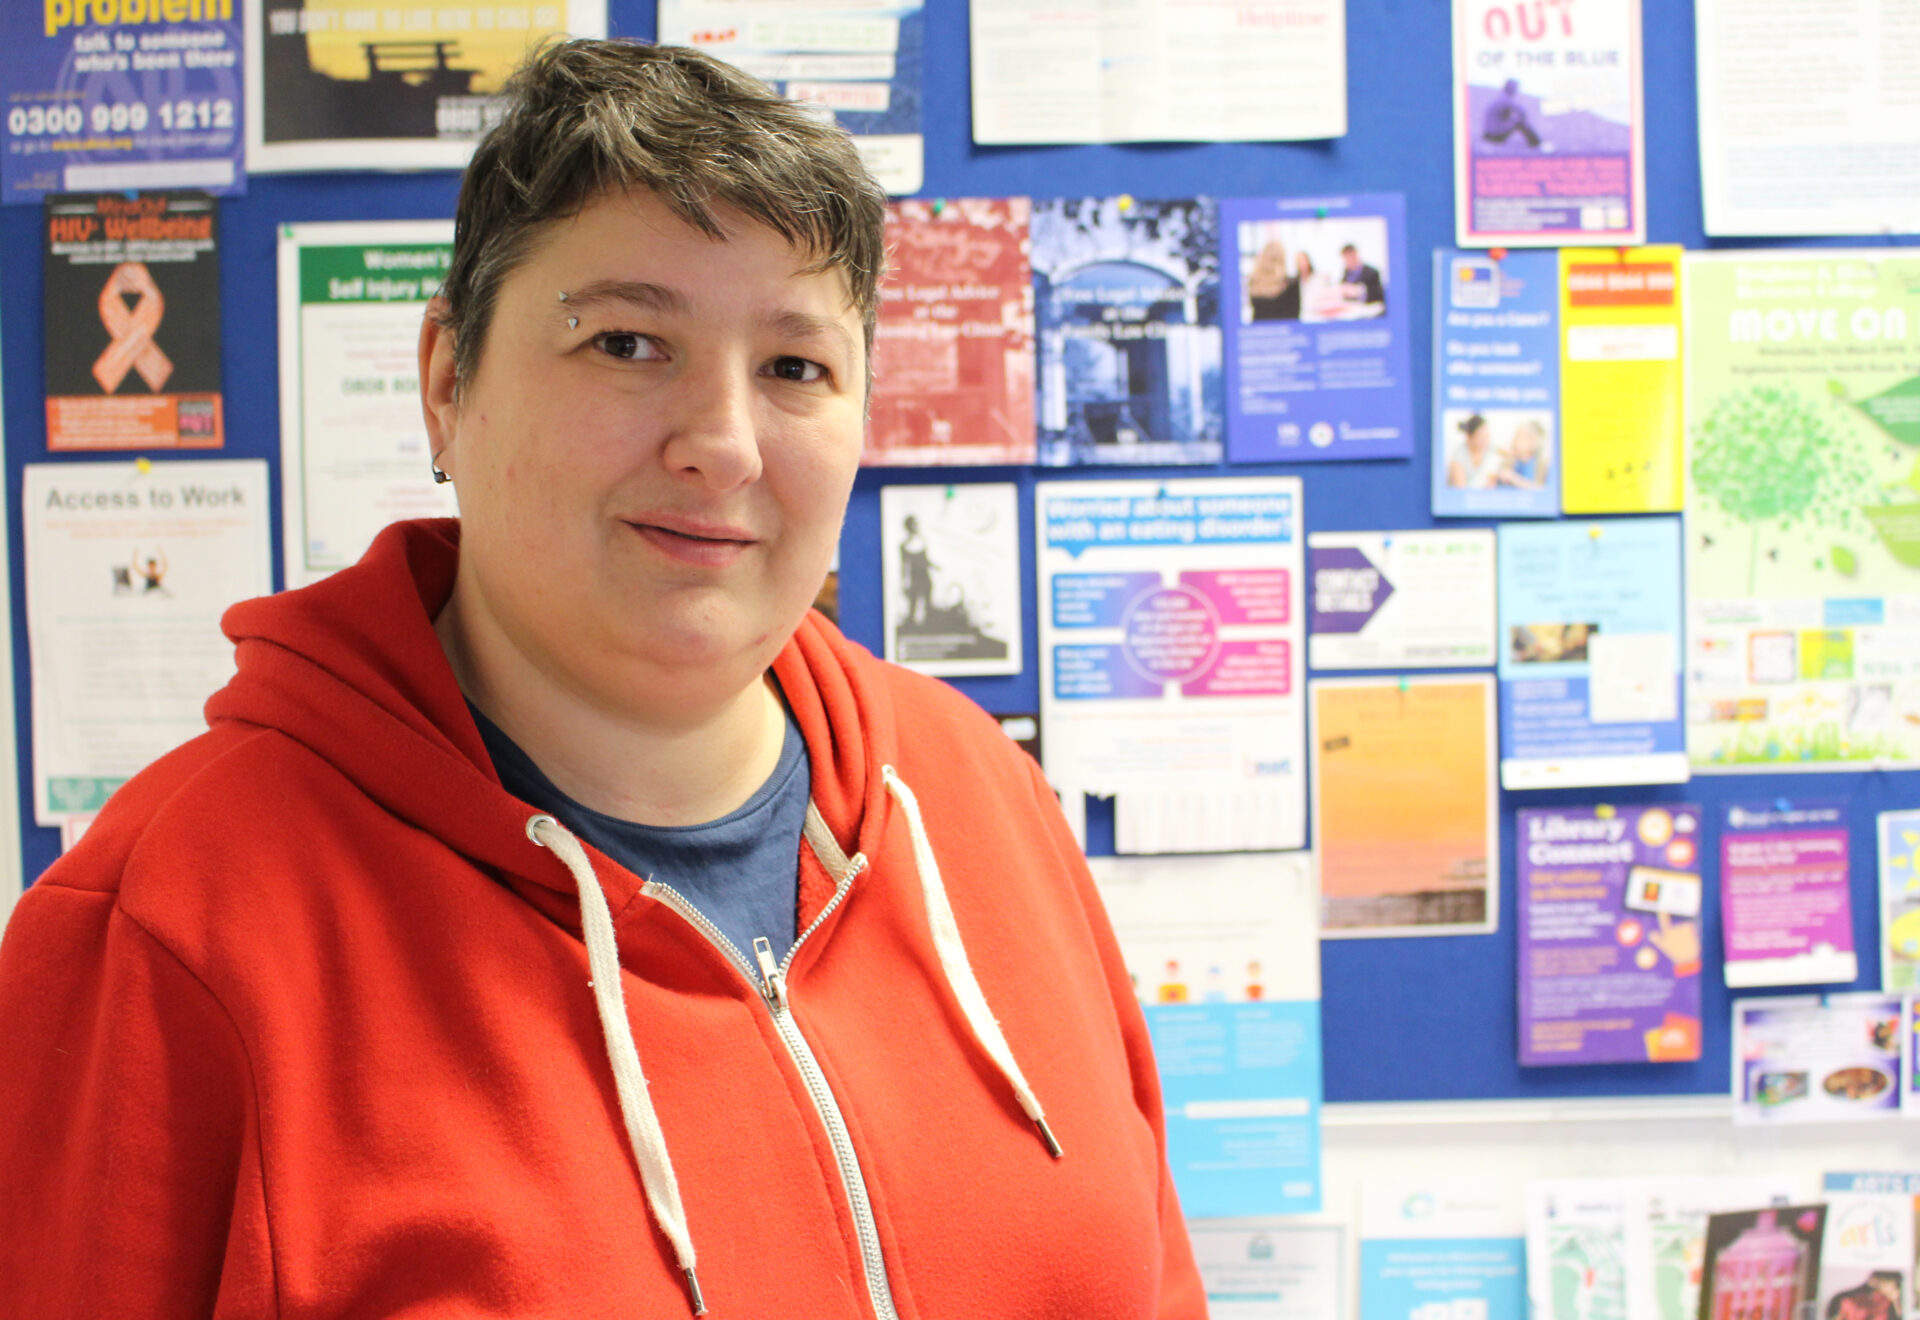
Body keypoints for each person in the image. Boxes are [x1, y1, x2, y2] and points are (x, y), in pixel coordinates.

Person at [0, 40, 1205, 1319]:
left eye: (795, 367)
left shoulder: (976, 797)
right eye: (627, 342)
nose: (723, 446)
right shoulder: (168, 925)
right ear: (447, 381)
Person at [1245, 237, 1301, 320]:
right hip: (1284, 327)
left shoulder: (1253, 282)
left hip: (1259, 327)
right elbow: (1294, 315)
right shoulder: (1291, 284)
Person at [1447, 413, 1505, 489]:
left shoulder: (1489, 448)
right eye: (1482, 437)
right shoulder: (1459, 457)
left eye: (1487, 436)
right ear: (1469, 438)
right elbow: (1460, 490)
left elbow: (1508, 455)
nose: (1487, 441)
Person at [1482, 78, 1543, 148]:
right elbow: (1521, 111)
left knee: (1514, 119)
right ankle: (1536, 143)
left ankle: (1535, 142)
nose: (1516, 90)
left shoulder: (1500, 97)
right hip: (1493, 136)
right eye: (1515, 88)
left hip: (1488, 135)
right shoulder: (1505, 99)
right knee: (1519, 121)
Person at [1339, 243, 1386, 309]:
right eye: (1346, 259)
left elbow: (1377, 297)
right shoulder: (1346, 273)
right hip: (1352, 309)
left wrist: (1360, 291)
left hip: (1368, 309)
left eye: (1350, 257)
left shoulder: (1372, 273)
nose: (1348, 261)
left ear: (1356, 255)